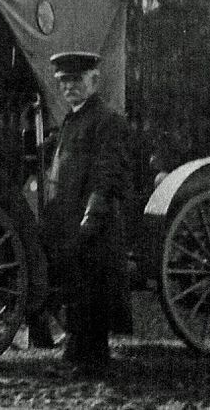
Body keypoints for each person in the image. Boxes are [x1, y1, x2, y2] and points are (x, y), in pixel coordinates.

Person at [41, 49, 135, 375]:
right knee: (75, 289)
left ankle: (92, 361)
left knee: (92, 289)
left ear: (94, 80)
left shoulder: (108, 120)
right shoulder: (72, 120)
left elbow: (109, 173)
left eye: (76, 80)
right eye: (64, 82)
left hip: (96, 222)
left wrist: (92, 215)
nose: (69, 87)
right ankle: (76, 356)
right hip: (69, 220)